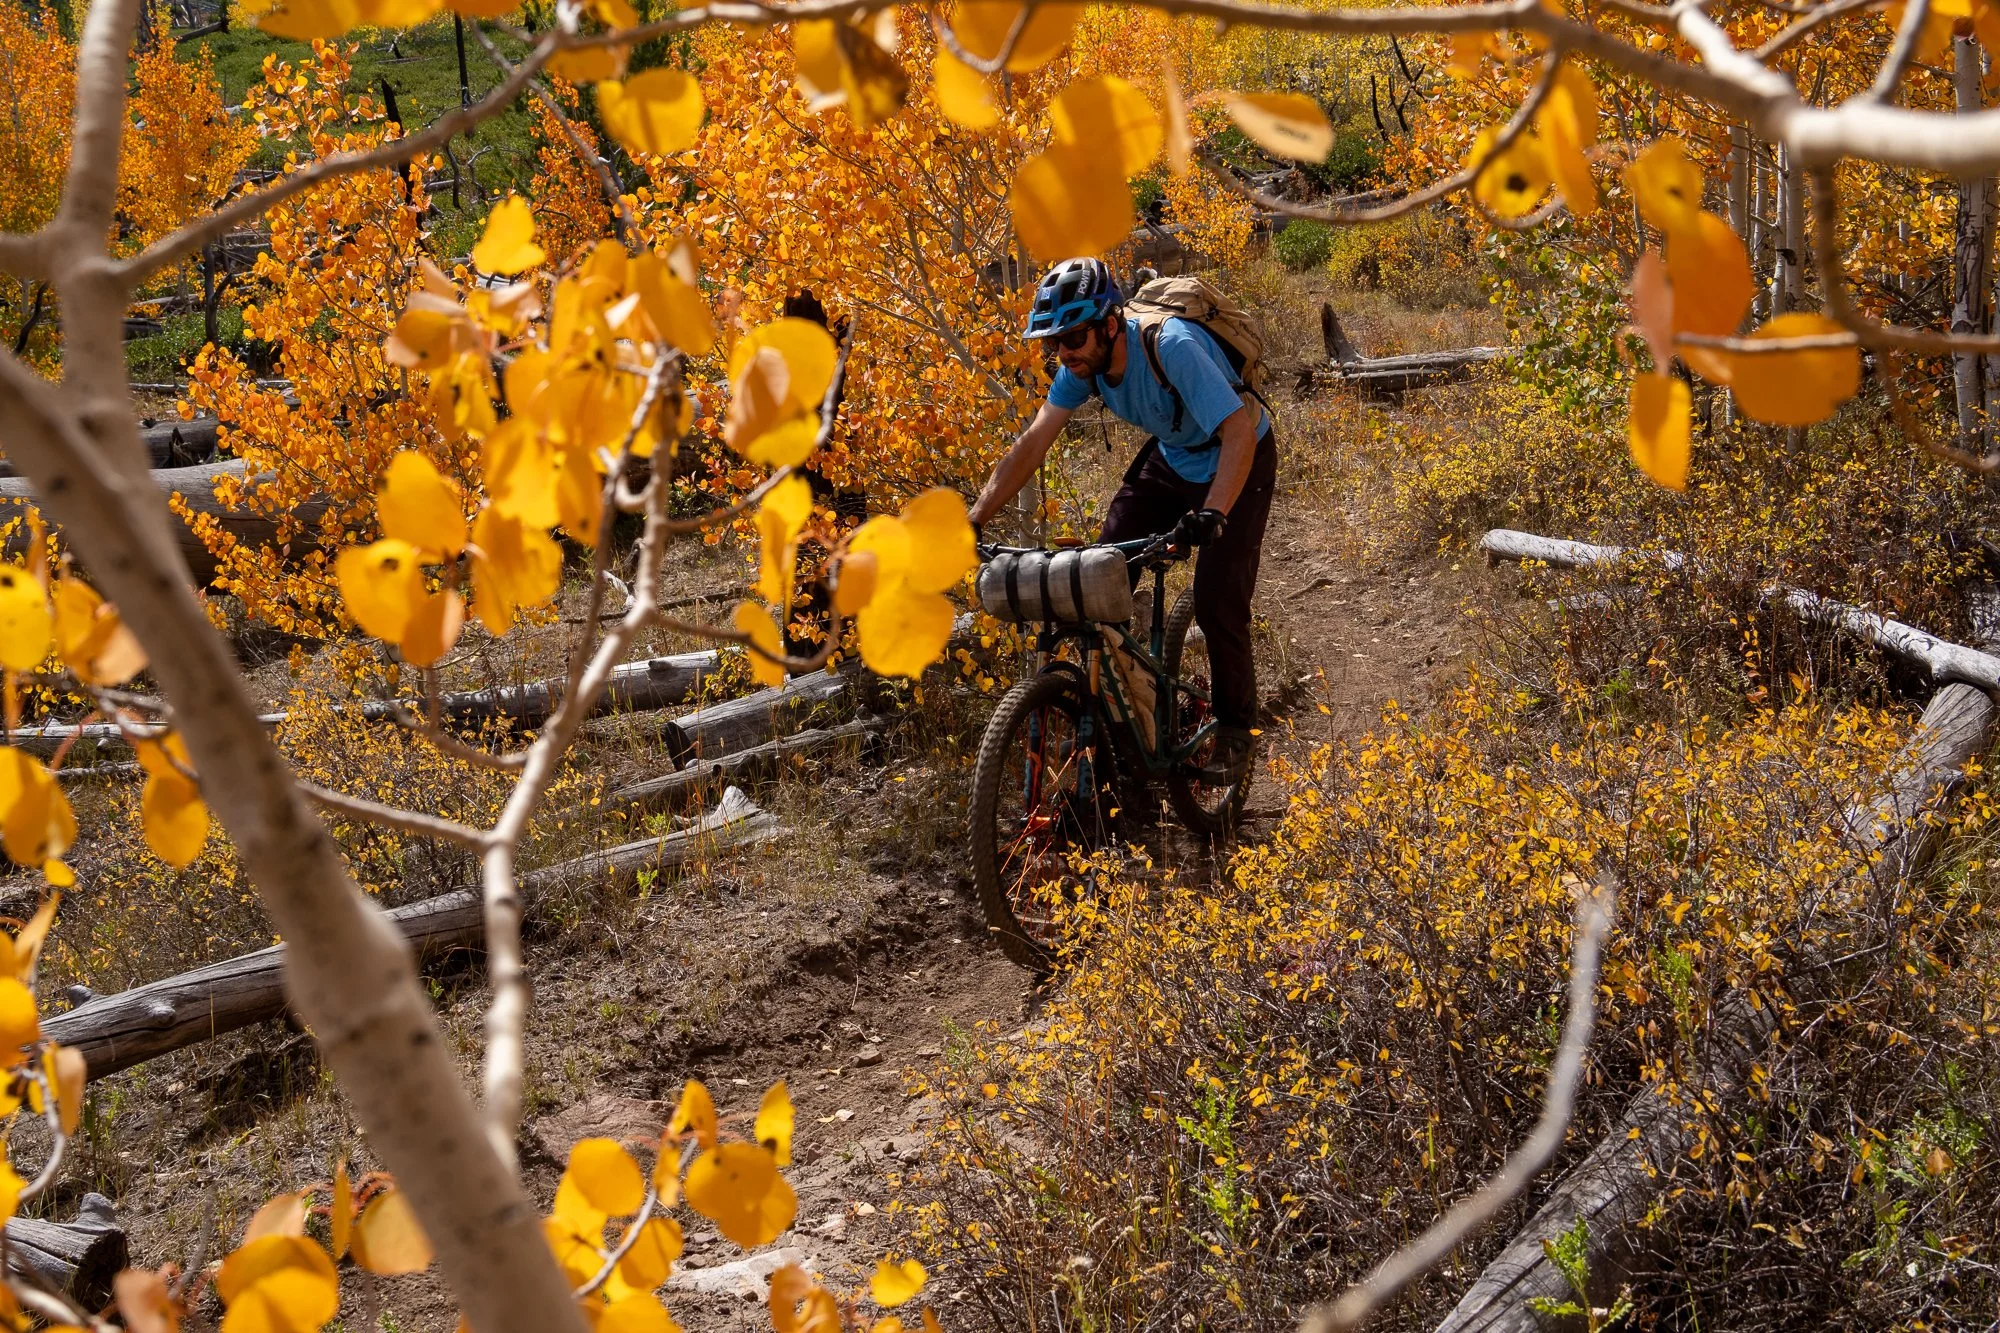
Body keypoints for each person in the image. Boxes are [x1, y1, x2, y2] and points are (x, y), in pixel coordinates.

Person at [968, 257, 1276, 783]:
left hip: (1238, 456)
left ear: (1110, 325)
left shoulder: (1172, 346)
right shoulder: (1081, 367)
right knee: (1099, 578)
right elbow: (1033, 443)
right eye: (1053, 343)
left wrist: (1214, 513)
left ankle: (1235, 733)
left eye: (1072, 339)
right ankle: (1133, 723)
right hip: (1175, 456)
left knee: (1217, 599)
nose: (1062, 353)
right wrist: (972, 519)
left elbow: (1238, 433)